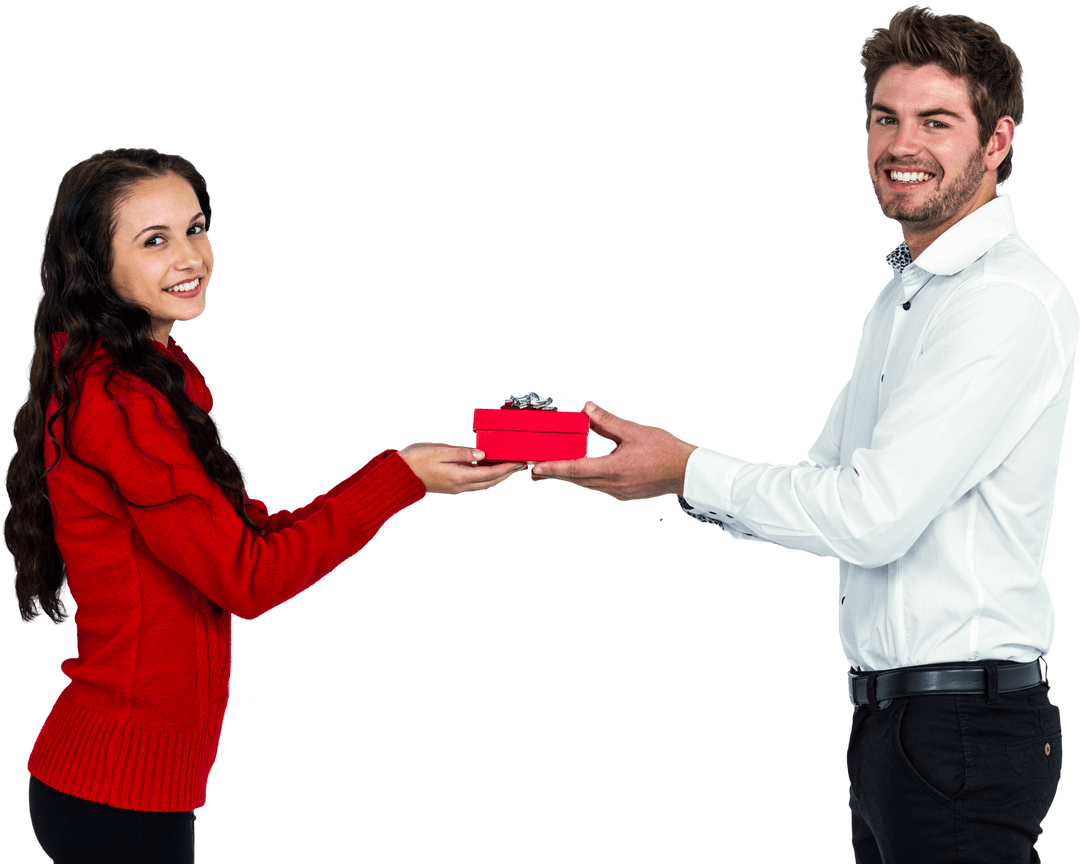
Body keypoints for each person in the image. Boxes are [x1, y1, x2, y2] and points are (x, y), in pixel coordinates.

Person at [531, 5, 1074, 861]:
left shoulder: (999, 302)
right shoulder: (904, 300)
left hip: (961, 725)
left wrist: (689, 471)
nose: (904, 144)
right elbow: (823, 482)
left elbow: (871, 515)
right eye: (885, 119)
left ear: (997, 141)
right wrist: (673, 474)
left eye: (938, 122)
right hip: (895, 727)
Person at [2, 147, 525, 864]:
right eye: (154, 240)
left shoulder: (152, 377)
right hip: (114, 798)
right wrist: (398, 480)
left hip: (127, 784)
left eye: (195, 228)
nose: (191, 257)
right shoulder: (119, 403)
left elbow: (243, 537)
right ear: (96, 266)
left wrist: (401, 472)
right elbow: (248, 578)